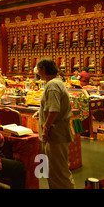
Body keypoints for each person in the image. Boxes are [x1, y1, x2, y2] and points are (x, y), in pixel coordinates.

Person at [33, 58, 75, 189]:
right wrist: (41, 112)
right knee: (52, 171)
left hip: (55, 135)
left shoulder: (52, 85)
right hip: (55, 134)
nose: (37, 72)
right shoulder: (56, 83)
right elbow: (52, 106)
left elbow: (54, 110)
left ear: (43, 69)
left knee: (59, 173)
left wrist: (45, 128)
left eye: (37, 68)